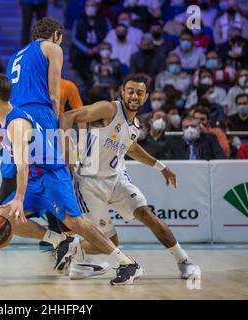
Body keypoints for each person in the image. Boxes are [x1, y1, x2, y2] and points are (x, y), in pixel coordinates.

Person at [0, 74, 139, 285]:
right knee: (3, 216)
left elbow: (22, 165)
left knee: (75, 222)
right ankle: (61, 241)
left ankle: (126, 263)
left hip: (52, 175)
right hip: (35, 179)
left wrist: (18, 197)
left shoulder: (17, 124)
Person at [60, 74, 201, 280]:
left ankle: (183, 261)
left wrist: (161, 167)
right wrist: (67, 155)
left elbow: (132, 148)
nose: (135, 95)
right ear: (122, 92)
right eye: (131, 91)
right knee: (111, 242)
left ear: (146, 97)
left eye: (139, 92)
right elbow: (67, 117)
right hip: (89, 183)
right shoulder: (109, 109)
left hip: (117, 179)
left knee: (146, 214)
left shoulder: (135, 125)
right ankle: (73, 249)